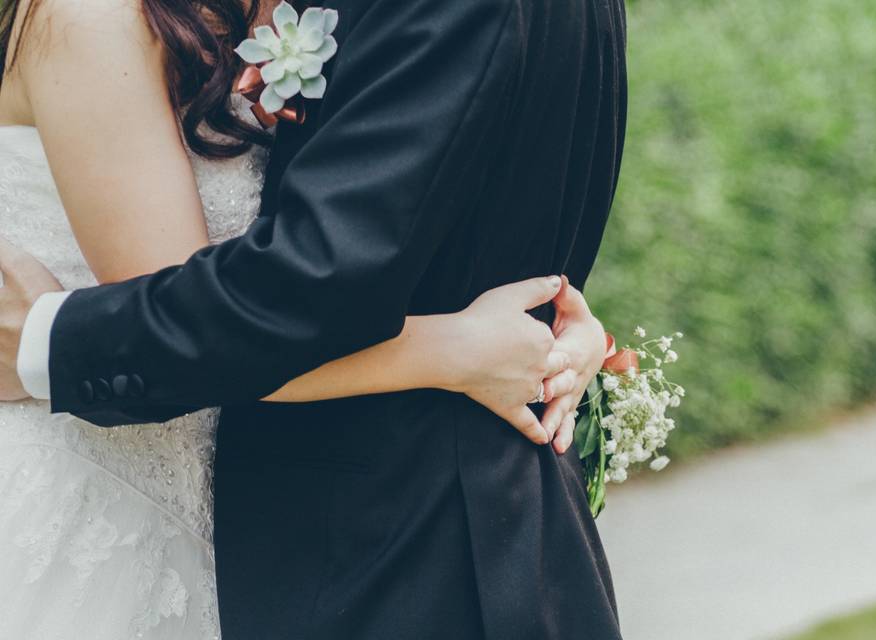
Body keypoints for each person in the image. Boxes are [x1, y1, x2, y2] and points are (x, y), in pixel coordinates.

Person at [0, 0, 627, 638]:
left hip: (346, 516)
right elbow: (240, 309)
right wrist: (459, 349)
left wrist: (539, 332)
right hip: (118, 492)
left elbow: (331, 268)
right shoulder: (89, 19)